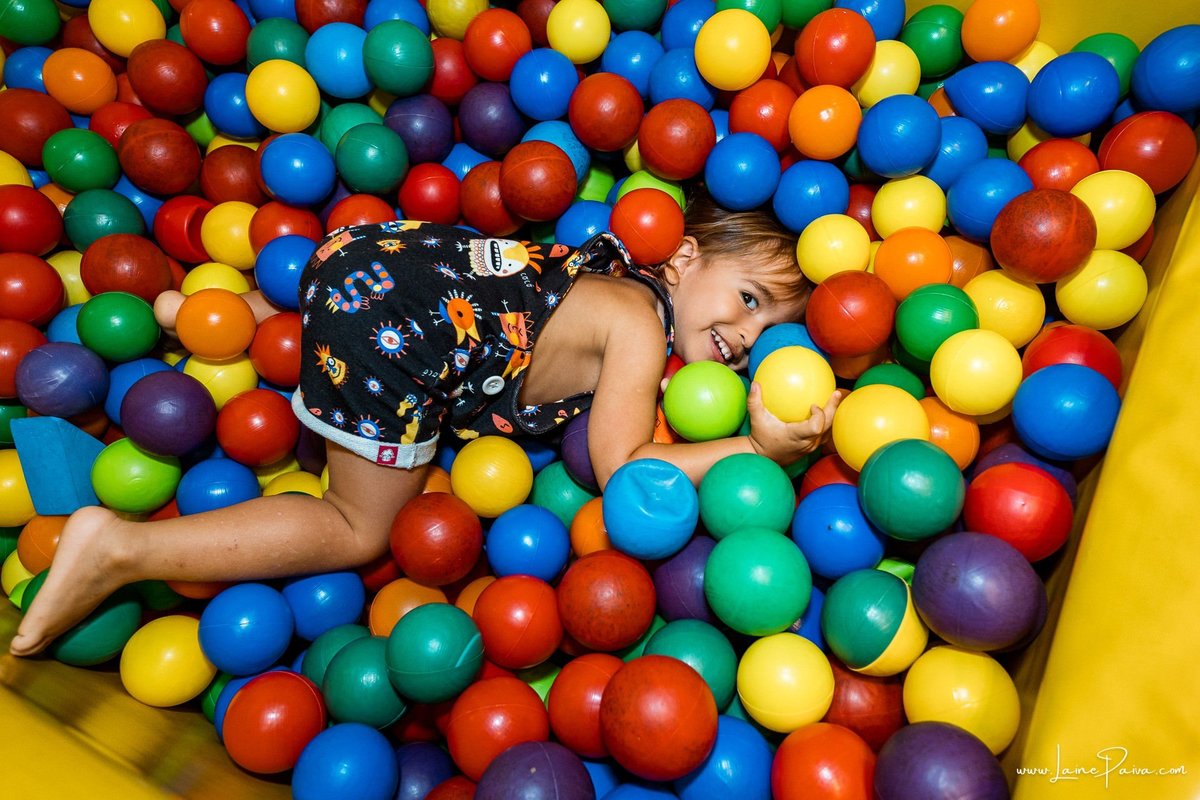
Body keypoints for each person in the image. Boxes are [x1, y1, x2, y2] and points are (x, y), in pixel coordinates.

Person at [10, 191, 843, 657]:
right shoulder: (634, 321)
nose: (748, 338)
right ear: (685, 258)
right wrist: (754, 446)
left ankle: (193, 313)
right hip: (397, 339)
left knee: (333, 322)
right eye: (750, 301)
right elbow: (627, 469)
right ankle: (121, 548)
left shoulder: (609, 264)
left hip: (366, 257)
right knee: (356, 527)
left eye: (769, 333)